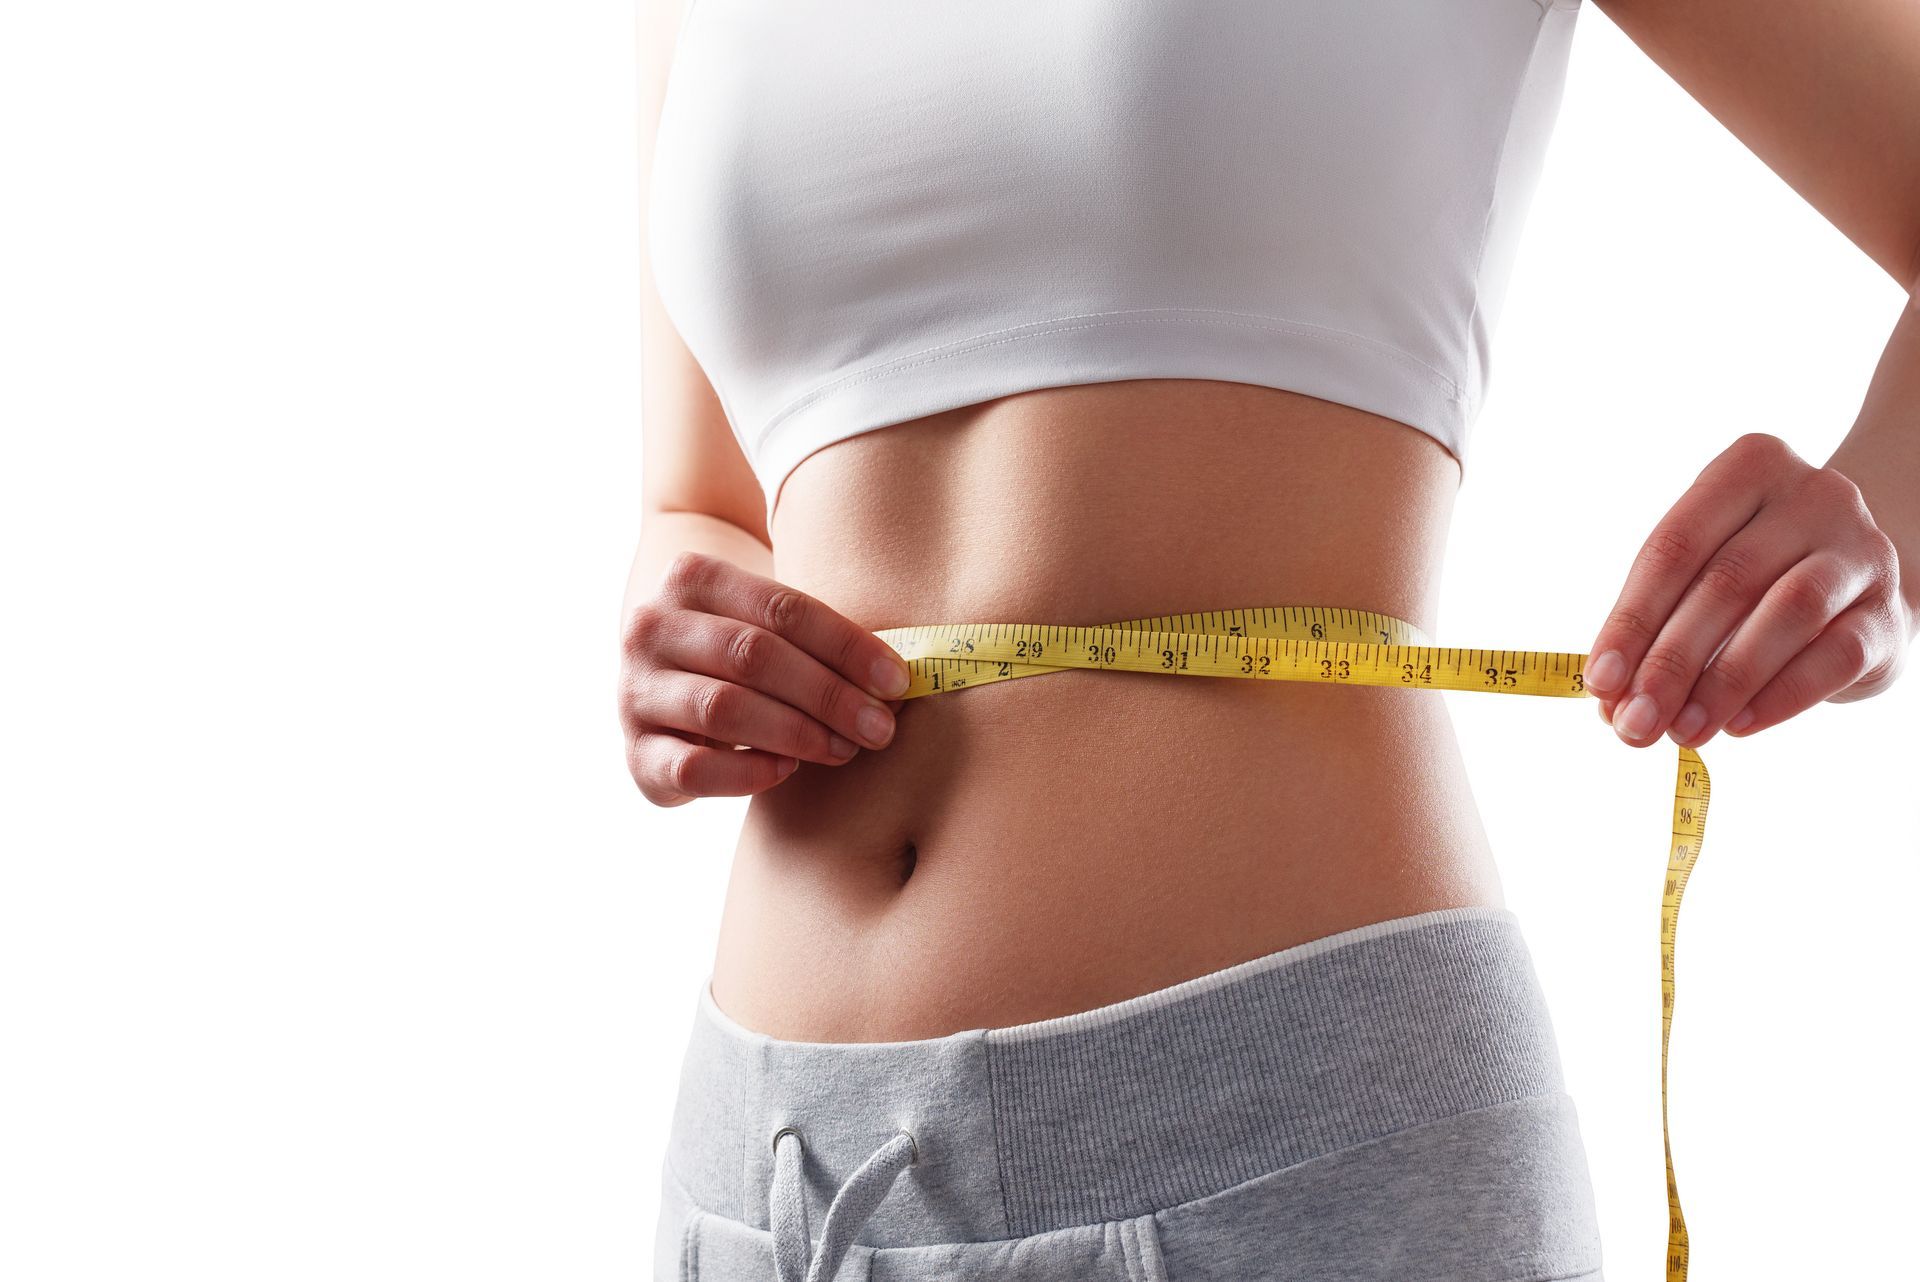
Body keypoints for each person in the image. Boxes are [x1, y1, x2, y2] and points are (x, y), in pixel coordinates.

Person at [622, 1, 1920, 1278]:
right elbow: (705, 503)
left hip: (1285, 1139)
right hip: (764, 1175)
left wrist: (1882, 532)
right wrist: (685, 635)